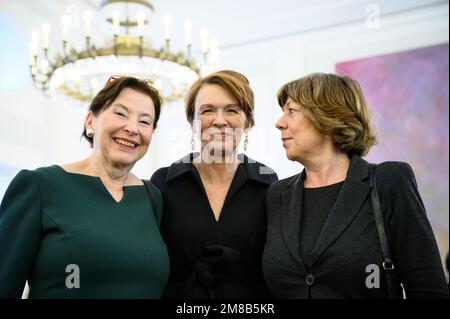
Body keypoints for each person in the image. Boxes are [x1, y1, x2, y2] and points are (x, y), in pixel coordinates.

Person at [262, 73, 449, 298]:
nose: (279, 123)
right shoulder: (277, 194)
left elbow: (428, 287)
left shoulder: (388, 181)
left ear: (327, 116)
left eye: (291, 111)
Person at [0, 76, 169, 298]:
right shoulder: (39, 185)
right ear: (91, 122)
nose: (132, 128)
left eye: (145, 121)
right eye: (120, 113)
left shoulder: (152, 197)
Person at [151, 70, 278, 298]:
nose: (220, 121)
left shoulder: (268, 182)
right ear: (193, 121)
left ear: (247, 121)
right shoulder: (163, 182)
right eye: (207, 110)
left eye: (232, 110)